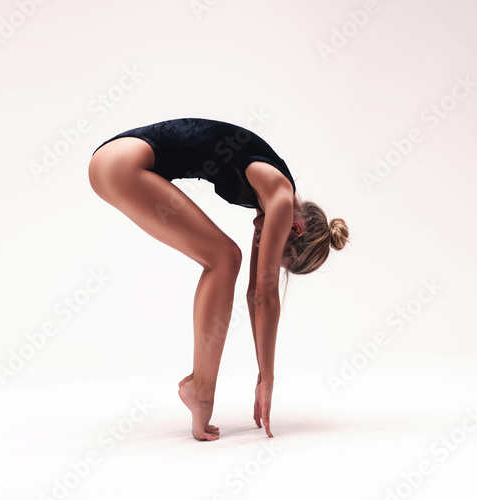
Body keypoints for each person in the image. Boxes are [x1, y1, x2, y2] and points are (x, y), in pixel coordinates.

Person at [88, 117, 349, 441]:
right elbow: (265, 295)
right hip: (121, 164)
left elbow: (255, 290)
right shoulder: (280, 198)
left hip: (115, 160)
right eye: (280, 254)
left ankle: (201, 389)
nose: (261, 244)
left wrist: (262, 372)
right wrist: (267, 377)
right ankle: (201, 391)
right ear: (294, 230)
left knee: (225, 258)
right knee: (225, 258)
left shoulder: (271, 197)